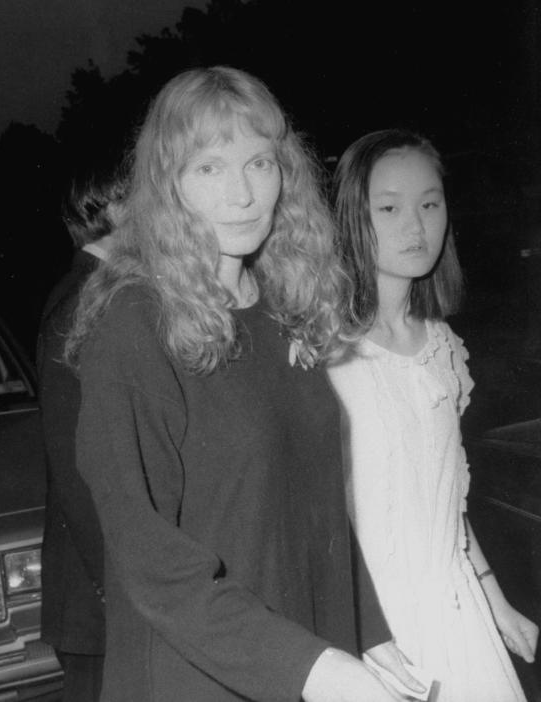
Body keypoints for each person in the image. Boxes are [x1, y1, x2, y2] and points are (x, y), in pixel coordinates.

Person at [64, 65, 421, 702]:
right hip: (200, 673)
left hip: (303, 649)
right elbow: (146, 556)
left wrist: (366, 633)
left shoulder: (279, 306)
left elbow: (312, 501)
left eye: (259, 164)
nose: (243, 195)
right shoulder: (134, 323)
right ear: (167, 185)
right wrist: (310, 669)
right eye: (209, 169)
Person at [329, 128, 539, 701]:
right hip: (370, 627)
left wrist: (498, 608)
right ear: (352, 219)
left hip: (456, 615)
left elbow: (446, 505)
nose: (416, 226)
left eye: (429, 203)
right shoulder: (326, 353)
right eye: (389, 208)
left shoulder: (441, 347)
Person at [38, 150, 128, 701]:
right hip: (101, 600)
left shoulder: (91, 290)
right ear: (114, 205)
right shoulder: (85, 303)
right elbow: (78, 470)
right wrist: (122, 591)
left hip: (100, 594)